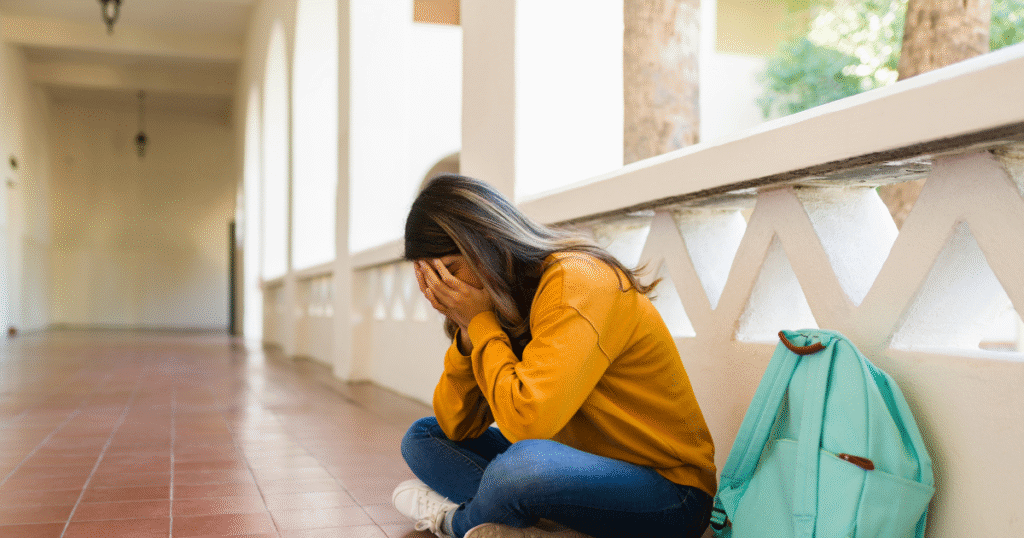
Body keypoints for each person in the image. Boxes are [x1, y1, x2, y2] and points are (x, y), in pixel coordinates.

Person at [392, 174, 716, 538]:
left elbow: (529, 424)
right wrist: (467, 330)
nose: (443, 292)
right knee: (423, 438)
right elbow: (458, 426)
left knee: (520, 469)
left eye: (449, 272)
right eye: (429, 281)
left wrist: (480, 322)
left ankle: (454, 521)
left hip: (670, 494)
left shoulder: (576, 281)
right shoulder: (500, 299)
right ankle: (552, 527)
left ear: (484, 243)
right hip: (573, 472)